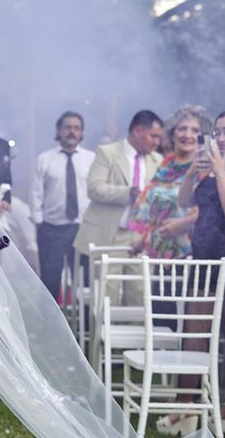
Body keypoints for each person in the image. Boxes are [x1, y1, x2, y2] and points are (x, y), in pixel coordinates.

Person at [164, 110, 225, 435]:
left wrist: (221, 172)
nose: (221, 138)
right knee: (193, 336)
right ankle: (187, 407)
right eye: (218, 132)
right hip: (202, 260)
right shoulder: (211, 170)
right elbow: (185, 202)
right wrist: (193, 172)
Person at [73, 110, 164, 306]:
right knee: (107, 293)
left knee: (140, 292)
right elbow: (94, 188)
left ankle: (137, 334)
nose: (157, 142)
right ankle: (104, 336)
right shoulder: (108, 153)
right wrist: (127, 193)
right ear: (138, 131)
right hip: (111, 234)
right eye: (153, 136)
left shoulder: (158, 160)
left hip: (142, 236)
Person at [128, 105, 211, 259]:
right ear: (172, 134)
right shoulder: (166, 164)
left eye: (195, 130)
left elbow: (213, 210)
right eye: (182, 129)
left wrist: (183, 224)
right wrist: (144, 239)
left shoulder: (205, 166)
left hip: (191, 254)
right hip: (160, 252)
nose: (187, 135)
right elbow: (157, 207)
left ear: (202, 137)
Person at [32, 111, 95, 300]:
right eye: (67, 127)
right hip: (52, 228)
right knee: (50, 279)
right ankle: (50, 324)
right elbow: (36, 193)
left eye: (76, 128)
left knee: (85, 279)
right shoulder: (45, 159)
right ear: (59, 130)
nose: (72, 132)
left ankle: (84, 325)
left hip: (84, 227)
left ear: (82, 132)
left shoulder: (92, 159)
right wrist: (39, 222)